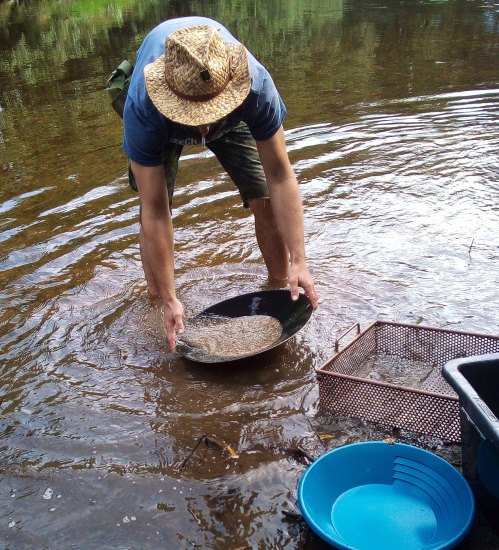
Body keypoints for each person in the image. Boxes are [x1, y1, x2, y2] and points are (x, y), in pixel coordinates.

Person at [123, 16, 318, 350]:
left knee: (264, 197)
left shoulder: (254, 88)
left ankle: (279, 285)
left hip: (235, 112)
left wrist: (299, 260)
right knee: (152, 206)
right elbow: (155, 212)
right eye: (194, 117)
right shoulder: (144, 107)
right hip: (162, 123)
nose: (203, 129)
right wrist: (171, 297)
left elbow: (281, 176)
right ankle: (162, 307)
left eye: (210, 113)